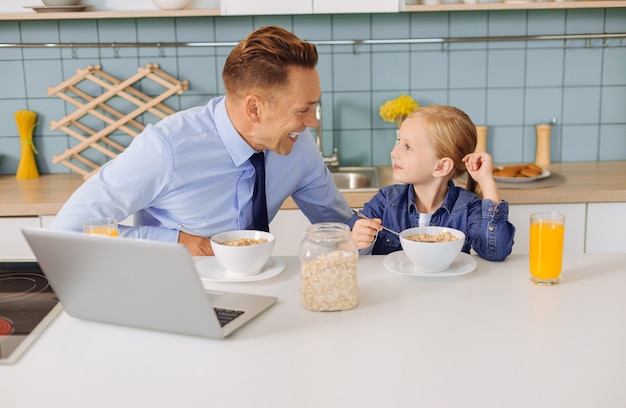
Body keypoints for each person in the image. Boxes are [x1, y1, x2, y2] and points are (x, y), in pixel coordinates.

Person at [50, 26, 352, 256]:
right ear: (254, 109)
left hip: (260, 292)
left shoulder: (298, 145)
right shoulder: (167, 148)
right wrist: (178, 243)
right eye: (303, 110)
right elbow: (68, 230)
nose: (312, 121)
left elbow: (343, 230)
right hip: (174, 295)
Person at [348, 104, 515, 261]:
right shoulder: (386, 201)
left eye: (407, 147)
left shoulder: (467, 207)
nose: (394, 152)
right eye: (399, 141)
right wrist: (354, 239)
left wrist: (486, 181)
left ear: (441, 166)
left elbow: (496, 251)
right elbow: (339, 244)